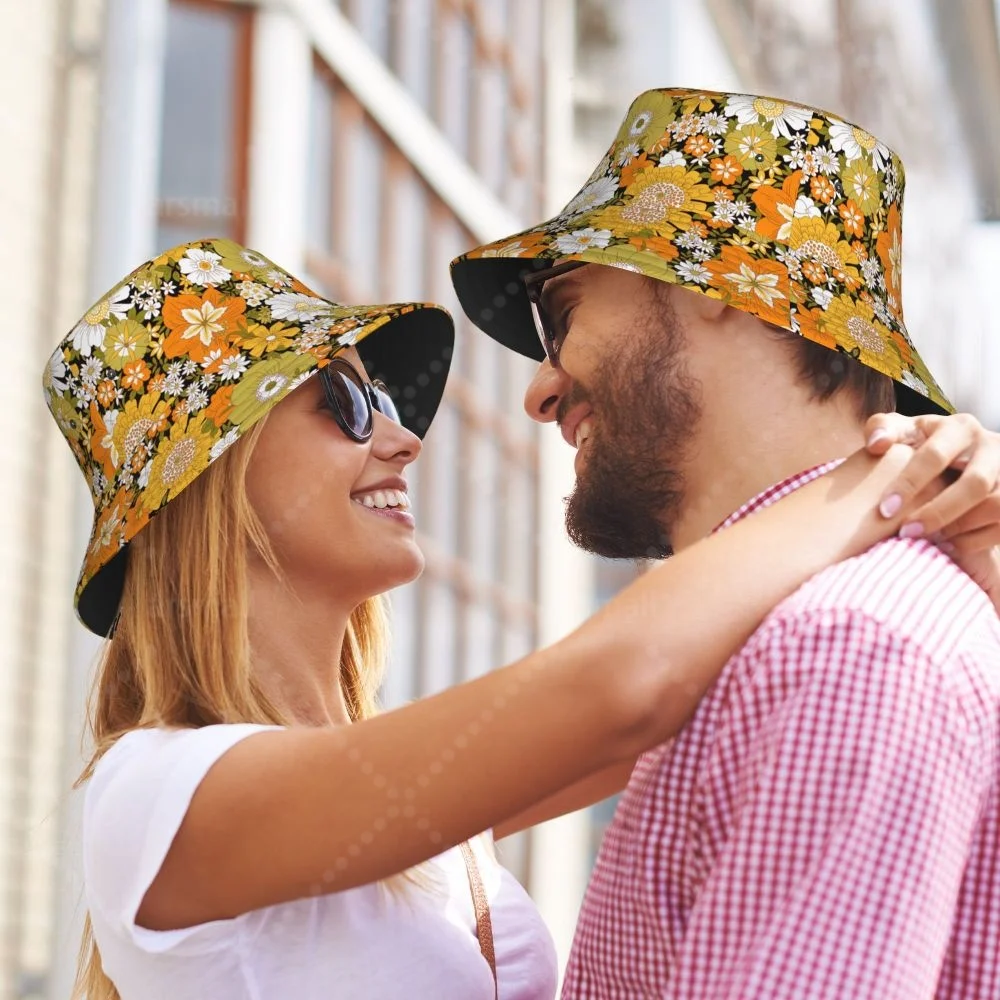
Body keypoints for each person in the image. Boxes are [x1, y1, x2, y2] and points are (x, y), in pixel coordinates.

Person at [46, 240, 997, 1000]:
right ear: (210, 477)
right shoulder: (154, 795)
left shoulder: (417, 802)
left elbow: (722, 683)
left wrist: (970, 535)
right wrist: (892, 474)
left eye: (387, 401)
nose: (403, 439)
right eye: (347, 401)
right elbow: (624, 685)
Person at [451, 87, 1000, 998]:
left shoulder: (841, 648)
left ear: (721, 286)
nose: (539, 391)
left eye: (562, 314)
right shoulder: (787, 641)